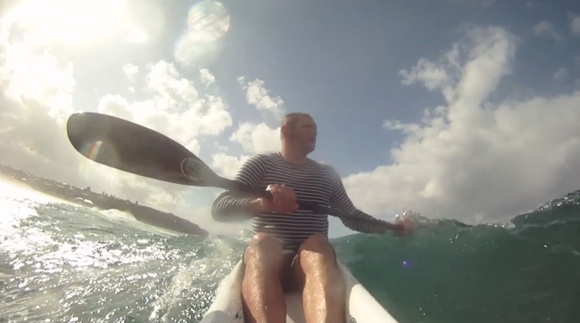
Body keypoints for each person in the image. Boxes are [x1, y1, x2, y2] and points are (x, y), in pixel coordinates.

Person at [211, 112, 415, 323]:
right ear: (286, 131)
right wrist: (262, 204)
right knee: (262, 242)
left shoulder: (326, 174)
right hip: (269, 260)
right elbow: (220, 208)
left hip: (308, 264)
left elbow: (350, 216)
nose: (315, 131)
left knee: (317, 243)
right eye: (307, 127)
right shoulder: (261, 164)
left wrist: (392, 228)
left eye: (315, 128)